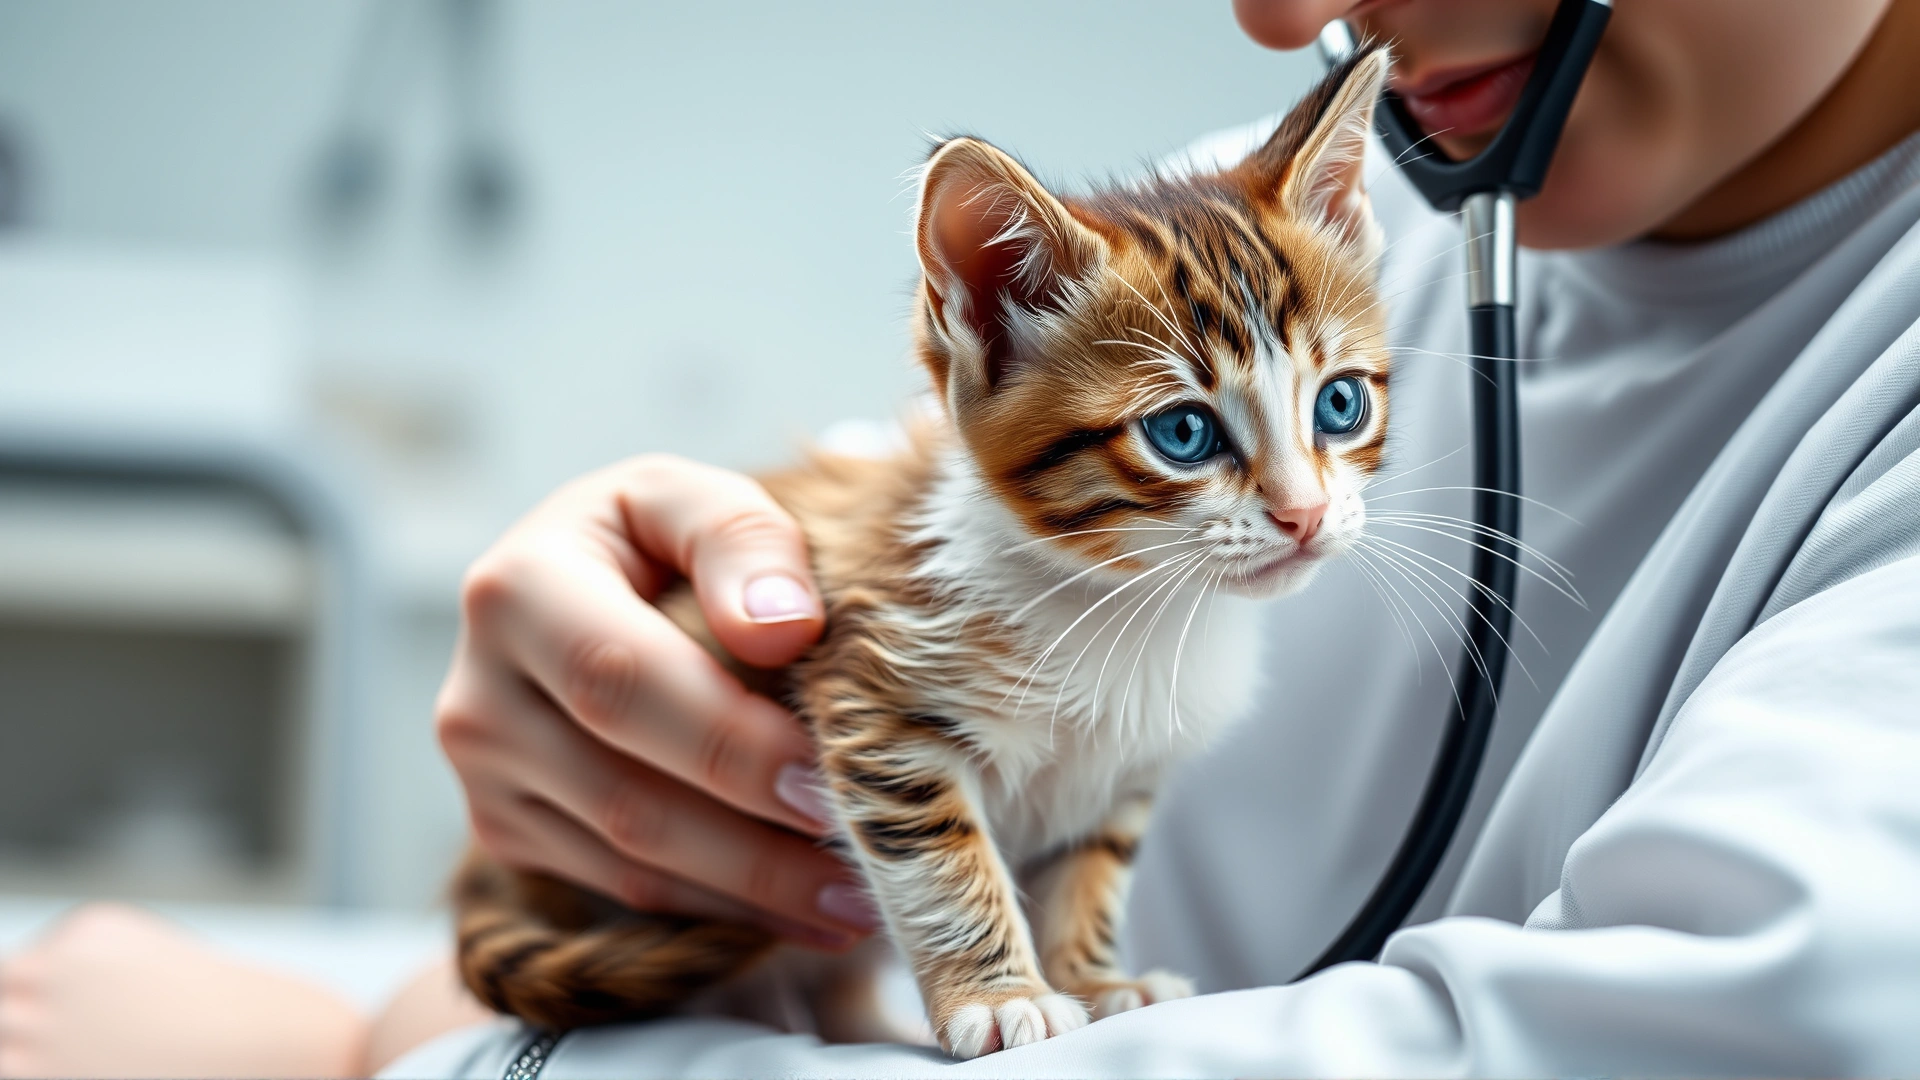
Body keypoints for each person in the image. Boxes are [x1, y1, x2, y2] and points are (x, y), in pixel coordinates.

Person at [7, 0, 1920, 1074]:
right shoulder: (1311, 187)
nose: (1280, 7)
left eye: (1338, 420)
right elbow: (888, 552)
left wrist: (397, 1064)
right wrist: (630, 707)